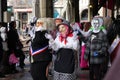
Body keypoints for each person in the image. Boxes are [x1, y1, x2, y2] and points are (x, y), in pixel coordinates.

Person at [84, 16, 109, 80]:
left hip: (98, 57)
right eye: (94, 23)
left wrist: (99, 52)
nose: (95, 25)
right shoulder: (90, 33)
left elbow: (105, 46)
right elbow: (86, 42)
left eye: (97, 23)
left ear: (99, 24)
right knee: (91, 72)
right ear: (92, 24)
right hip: (90, 57)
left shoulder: (102, 34)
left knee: (97, 72)